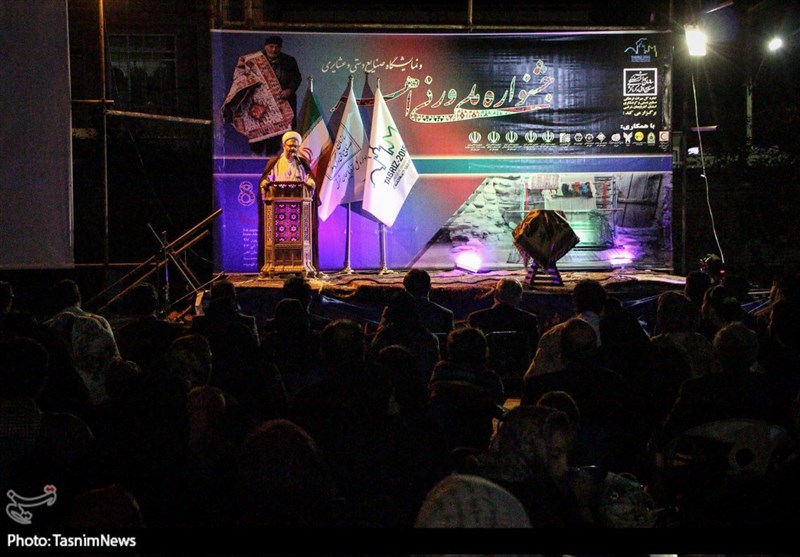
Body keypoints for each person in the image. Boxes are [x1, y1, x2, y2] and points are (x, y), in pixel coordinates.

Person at [222, 35, 301, 155]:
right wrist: (250, 82)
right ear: (265, 46)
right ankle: (256, 158)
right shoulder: (252, 61)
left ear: (280, 48)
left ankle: (273, 159)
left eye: (277, 47)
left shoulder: (289, 61)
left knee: (275, 143)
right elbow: (239, 76)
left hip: (281, 104)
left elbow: (297, 78)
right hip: (257, 105)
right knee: (257, 142)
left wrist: (290, 90)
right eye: (271, 46)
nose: (274, 50)